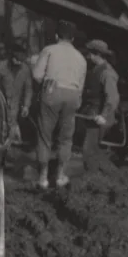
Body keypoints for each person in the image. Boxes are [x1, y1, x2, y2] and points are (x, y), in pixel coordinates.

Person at [31, 20, 87, 189]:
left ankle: (43, 177)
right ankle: (61, 175)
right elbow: (81, 85)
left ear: (56, 36)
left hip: (52, 91)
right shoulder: (81, 58)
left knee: (45, 135)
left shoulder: (49, 50)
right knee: (66, 137)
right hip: (73, 94)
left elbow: (36, 75)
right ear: (73, 39)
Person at [77, 39, 120, 168]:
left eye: (90, 53)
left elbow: (112, 97)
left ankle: (94, 178)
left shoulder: (107, 73)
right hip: (91, 113)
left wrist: (103, 115)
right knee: (85, 148)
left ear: (98, 54)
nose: (88, 56)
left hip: (100, 117)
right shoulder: (96, 69)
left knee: (88, 150)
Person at [0, 47, 33, 145]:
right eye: (16, 60)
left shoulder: (25, 69)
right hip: (0, 101)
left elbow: (28, 89)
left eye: (21, 61)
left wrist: (26, 105)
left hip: (15, 102)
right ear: (11, 58)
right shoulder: (0, 67)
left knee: (12, 125)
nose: (18, 63)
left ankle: (9, 145)